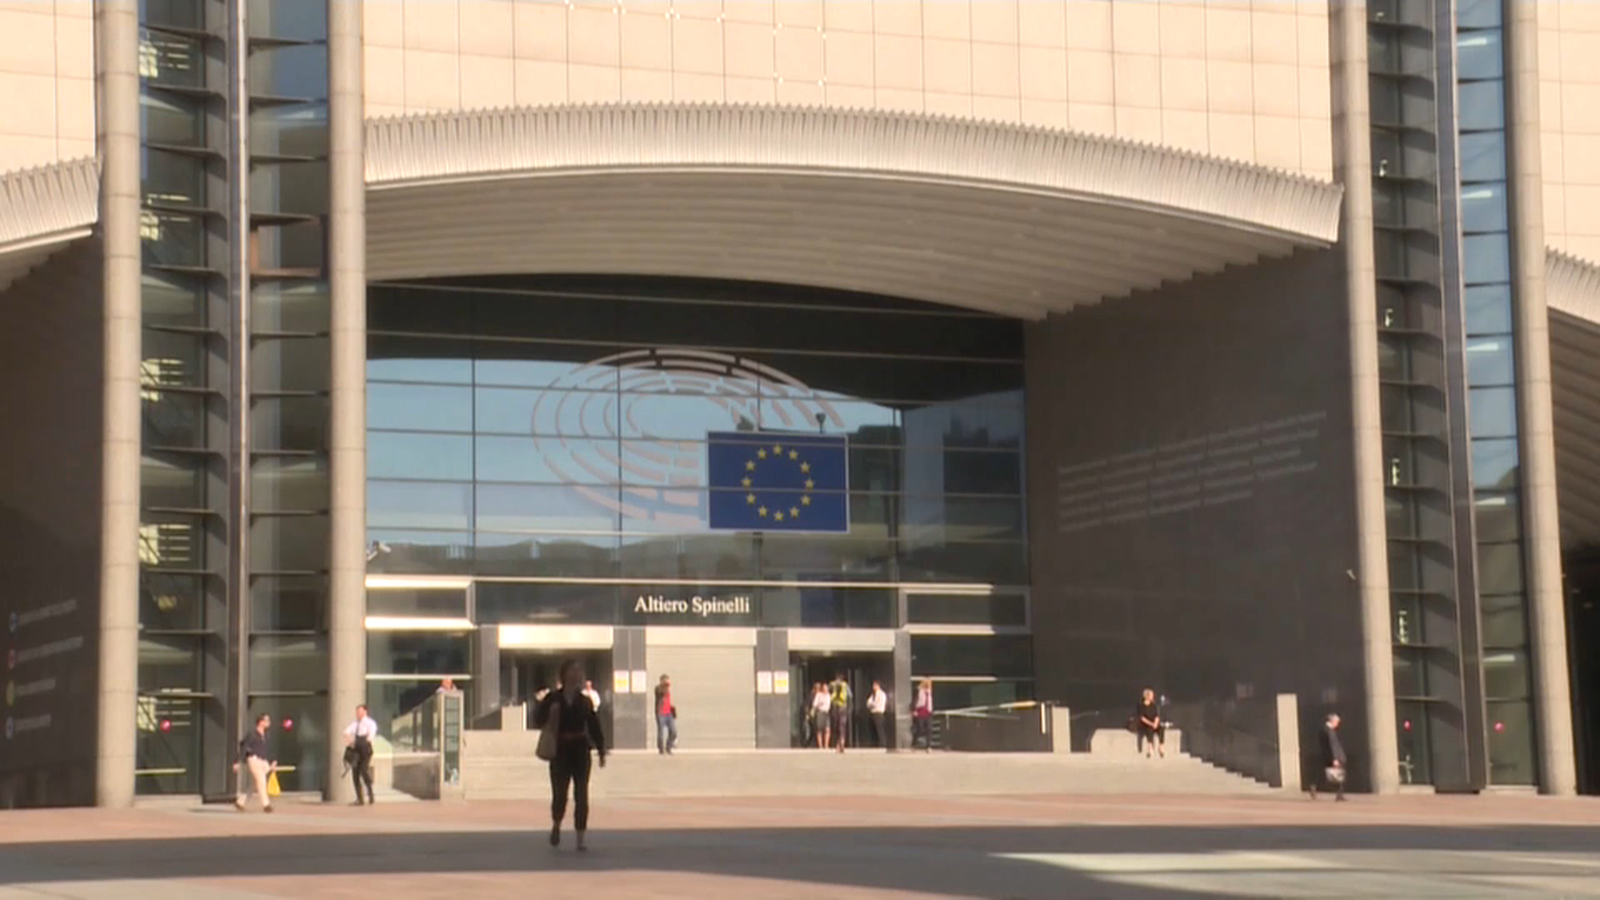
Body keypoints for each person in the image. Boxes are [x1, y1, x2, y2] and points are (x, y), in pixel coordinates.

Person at [533, 659, 608, 851]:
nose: (576, 674)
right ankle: (556, 824)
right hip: (560, 751)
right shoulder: (553, 698)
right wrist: (549, 713)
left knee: (581, 794)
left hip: (580, 749)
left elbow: (594, 725)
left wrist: (601, 749)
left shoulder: (584, 701)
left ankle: (580, 838)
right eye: (572, 670)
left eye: (578, 671)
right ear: (564, 674)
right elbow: (538, 720)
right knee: (560, 794)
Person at [233, 713, 277, 813]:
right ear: (260, 722)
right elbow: (244, 747)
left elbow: (268, 749)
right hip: (254, 759)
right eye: (266, 720)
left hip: (263, 761)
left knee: (254, 784)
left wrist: (272, 761)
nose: (268, 723)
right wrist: (238, 761)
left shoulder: (266, 735)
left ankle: (240, 802)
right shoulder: (252, 734)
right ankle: (266, 805)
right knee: (261, 781)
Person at [343, 703, 378, 806]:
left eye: (360, 711)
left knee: (363, 770)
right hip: (357, 748)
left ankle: (370, 793)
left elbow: (370, 736)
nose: (358, 713)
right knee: (355, 773)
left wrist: (363, 741)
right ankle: (359, 798)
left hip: (365, 748)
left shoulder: (370, 723)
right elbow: (346, 732)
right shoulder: (355, 723)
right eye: (357, 711)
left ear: (365, 712)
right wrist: (350, 741)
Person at [1310, 712, 1348, 801]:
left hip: (1328, 756)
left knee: (1331, 775)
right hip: (1332, 757)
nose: (1338, 724)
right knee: (1337, 775)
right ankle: (1338, 794)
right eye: (1337, 722)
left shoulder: (1325, 730)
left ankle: (1315, 786)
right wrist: (1335, 758)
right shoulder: (1328, 731)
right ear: (1332, 721)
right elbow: (1332, 745)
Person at [828, 672, 853, 753]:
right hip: (843, 707)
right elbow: (850, 696)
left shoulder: (832, 684)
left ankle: (837, 745)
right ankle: (842, 743)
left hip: (835, 707)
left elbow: (828, 692)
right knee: (842, 727)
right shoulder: (845, 686)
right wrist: (850, 707)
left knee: (836, 726)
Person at [1136, 688, 1164, 758]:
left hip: (1153, 723)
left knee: (1161, 728)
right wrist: (1151, 724)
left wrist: (1155, 723)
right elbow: (1142, 718)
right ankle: (1150, 748)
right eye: (1151, 695)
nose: (1153, 697)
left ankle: (1161, 747)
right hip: (1145, 724)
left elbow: (1156, 715)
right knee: (1149, 729)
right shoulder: (1141, 706)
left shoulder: (1153, 705)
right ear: (1147, 696)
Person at [653, 673, 677, 755]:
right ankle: (661, 749)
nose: (667, 682)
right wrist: (664, 685)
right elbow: (660, 693)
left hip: (669, 713)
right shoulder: (658, 688)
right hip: (661, 713)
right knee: (661, 733)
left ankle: (668, 747)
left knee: (673, 731)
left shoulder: (667, 689)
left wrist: (672, 709)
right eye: (665, 680)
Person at [911, 679, 934, 752]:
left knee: (929, 729)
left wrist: (931, 710)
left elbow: (930, 702)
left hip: (928, 712)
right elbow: (914, 700)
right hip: (920, 712)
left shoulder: (929, 692)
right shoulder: (918, 691)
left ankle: (928, 746)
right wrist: (913, 710)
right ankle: (914, 743)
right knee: (920, 729)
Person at [867, 680, 890, 750]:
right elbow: (868, 703)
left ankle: (882, 744)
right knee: (873, 730)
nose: (873, 687)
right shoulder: (872, 695)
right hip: (873, 713)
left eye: (874, 685)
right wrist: (872, 704)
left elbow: (877, 704)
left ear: (878, 686)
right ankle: (875, 744)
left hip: (879, 713)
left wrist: (872, 704)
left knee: (880, 729)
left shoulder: (881, 694)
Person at [810, 682, 831, 749]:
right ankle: (820, 746)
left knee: (827, 729)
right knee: (819, 730)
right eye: (824, 688)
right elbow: (814, 704)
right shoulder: (819, 695)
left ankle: (826, 745)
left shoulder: (828, 695)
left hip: (826, 713)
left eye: (826, 688)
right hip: (820, 713)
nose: (825, 689)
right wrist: (820, 703)